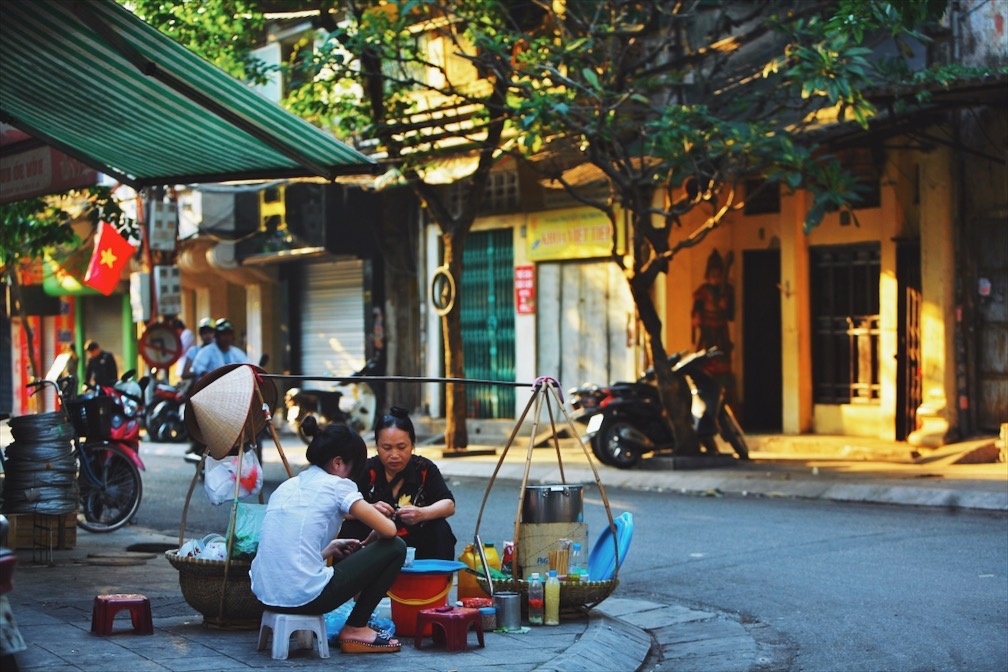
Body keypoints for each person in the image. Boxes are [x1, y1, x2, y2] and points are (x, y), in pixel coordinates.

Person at [250, 417, 406, 654]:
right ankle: (356, 627)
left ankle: (355, 626)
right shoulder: (337, 485)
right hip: (304, 597)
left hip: (265, 595)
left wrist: (330, 548)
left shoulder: (288, 486)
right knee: (396, 547)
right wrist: (377, 529)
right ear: (338, 463)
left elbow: (289, 550)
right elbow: (389, 531)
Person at [338, 406, 457, 560]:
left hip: (416, 543)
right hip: (373, 543)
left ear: (412, 446)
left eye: (401, 447)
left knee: (440, 528)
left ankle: (435, 580)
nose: (394, 455)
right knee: (350, 528)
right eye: (387, 448)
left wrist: (422, 513)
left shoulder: (424, 469)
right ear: (377, 447)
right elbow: (340, 506)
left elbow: (448, 504)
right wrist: (368, 510)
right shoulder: (366, 470)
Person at [691, 249, 737, 406]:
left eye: (719, 274)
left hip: (721, 333)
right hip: (707, 332)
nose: (716, 278)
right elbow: (696, 312)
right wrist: (698, 321)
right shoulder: (702, 292)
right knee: (705, 364)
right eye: (713, 274)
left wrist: (725, 306)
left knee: (724, 366)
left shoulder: (727, 291)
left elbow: (731, 315)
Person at [178, 317, 214, 384]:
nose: (208, 335)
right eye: (205, 333)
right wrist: (201, 372)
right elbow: (185, 374)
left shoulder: (219, 351)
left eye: (210, 332)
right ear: (200, 334)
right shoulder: (194, 351)